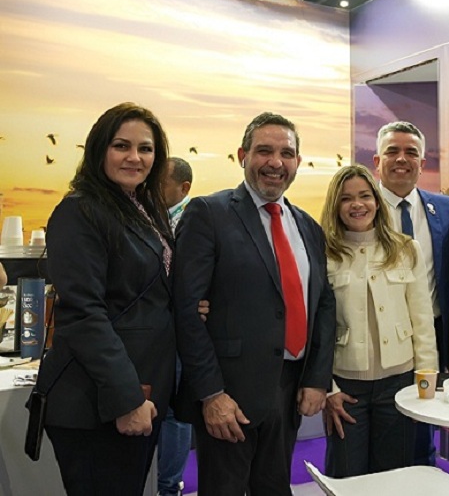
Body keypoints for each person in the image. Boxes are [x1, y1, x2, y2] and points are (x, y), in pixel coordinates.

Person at [172, 111, 335, 496]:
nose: (275, 162)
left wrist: (317, 379)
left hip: (289, 392)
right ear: (242, 155)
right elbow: (186, 312)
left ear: (297, 161)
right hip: (230, 395)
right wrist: (211, 394)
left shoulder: (308, 227)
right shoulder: (208, 214)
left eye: (286, 153)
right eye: (264, 151)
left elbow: (324, 305)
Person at [36, 103, 175, 495]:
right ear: (100, 149)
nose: (135, 157)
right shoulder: (79, 210)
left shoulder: (142, 207)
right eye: (121, 146)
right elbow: (84, 314)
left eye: (145, 149)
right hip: (98, 401)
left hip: (141, 389)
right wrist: (126, 399)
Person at [321, 164, 438, 477]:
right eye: (346, 199)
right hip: (345, 387)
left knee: (393, 476)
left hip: (399, 383)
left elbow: (422, 322)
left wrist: (425, 385)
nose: (357, 204)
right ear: (335, 206)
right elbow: (316, 331)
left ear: (376, 200)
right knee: (348, 477)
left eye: (364, 196)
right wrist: (328, 390)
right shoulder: (324, 253)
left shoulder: (405, 249)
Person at [373, 121, 449, 466]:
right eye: (392, 151)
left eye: (411, 153)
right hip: (378, 340)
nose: (401, 159)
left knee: (423, 429)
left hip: (429, 335)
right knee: (380, 438)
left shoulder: (445, 208)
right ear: (377, 161)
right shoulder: (358, 207)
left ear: (423, 163)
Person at [157, 156, 194, 496]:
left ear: (184, 188)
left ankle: (168, 487)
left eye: (160, 183)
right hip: (154, 334)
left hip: (181, 334)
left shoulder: (191, 221)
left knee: (174, 413)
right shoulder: (152, 219)